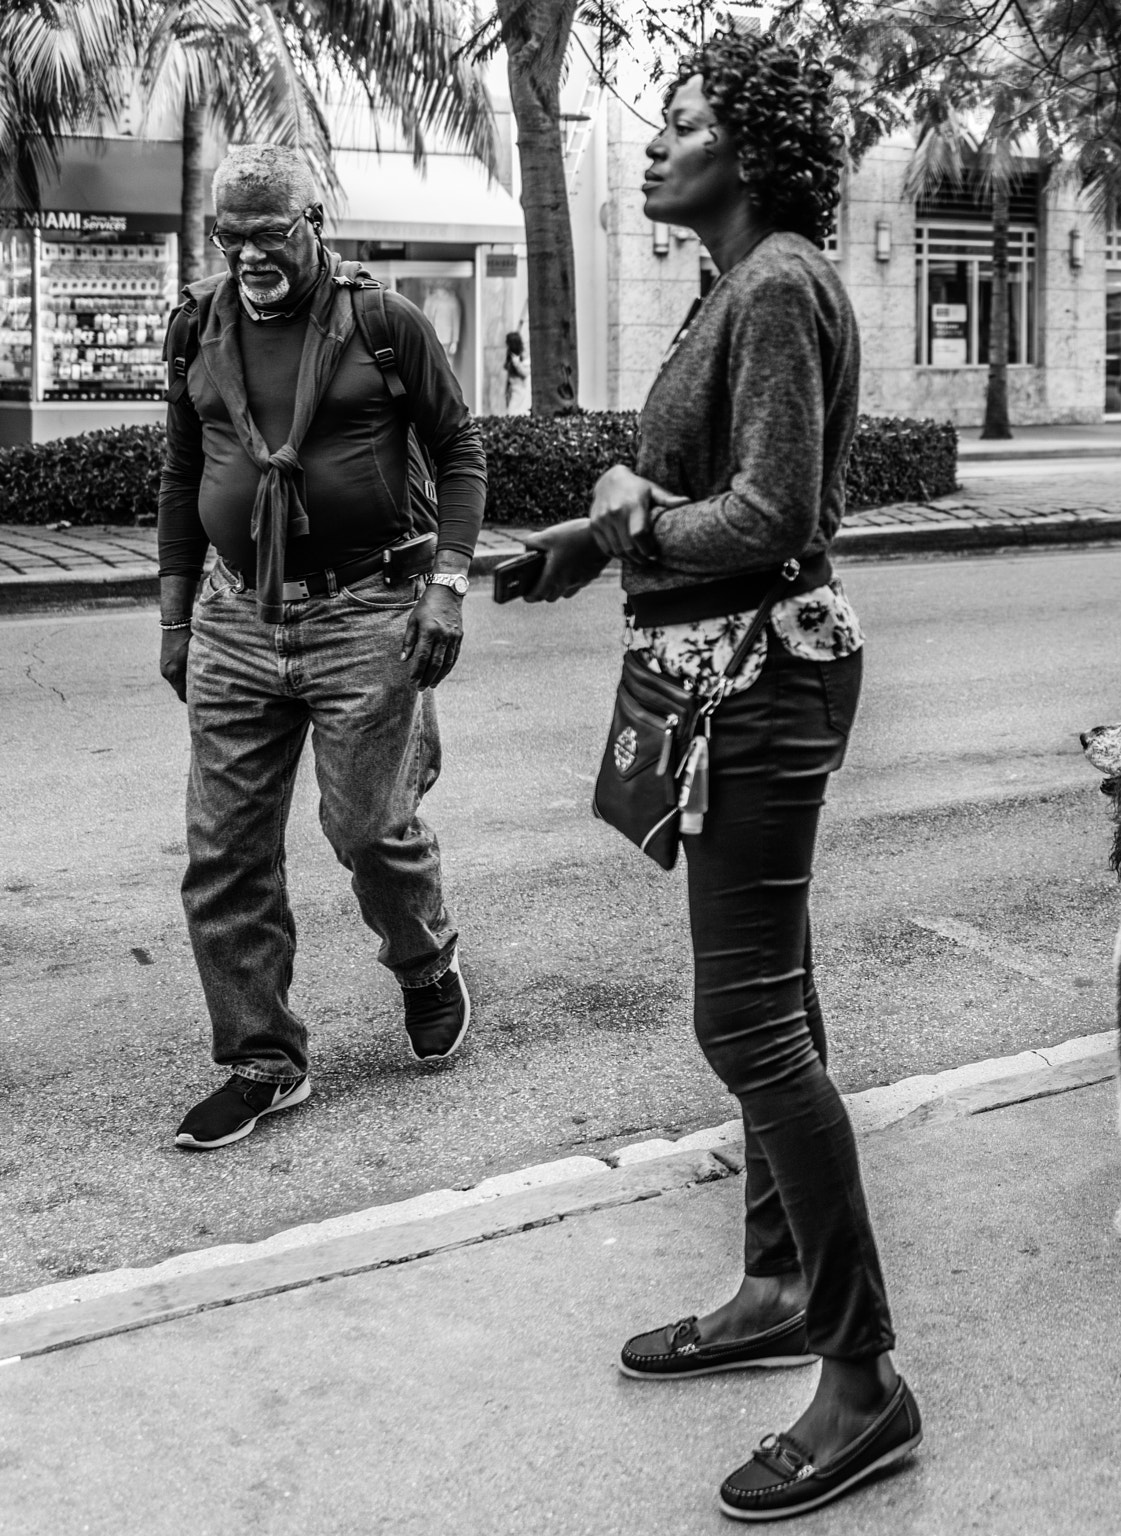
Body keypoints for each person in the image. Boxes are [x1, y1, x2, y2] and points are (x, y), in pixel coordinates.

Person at [519, 30, 917, 1521]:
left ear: (745, 148)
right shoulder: (741, 286)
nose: (653, 139)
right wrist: (591, 540)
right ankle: (771, 1285)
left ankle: (865, 1376)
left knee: (746, 1020)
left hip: (766, 676)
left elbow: (775, 514)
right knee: (780, 993)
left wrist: (626, 521)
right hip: (724, 675)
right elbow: (715, 501)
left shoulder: (777, 282)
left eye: (680, 120)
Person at [156, 145, 485, 1151]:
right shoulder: (195, 326)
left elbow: (461, 447)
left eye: (270, 231)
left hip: (366, 611)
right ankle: (263, 1059)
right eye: (230, 235)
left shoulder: (382, 324)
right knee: (223, 854)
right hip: (235, 619)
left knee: (368, 831)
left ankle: (425, 964)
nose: (249, 252)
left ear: (315, 224)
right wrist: (175, 616)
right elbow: (181, 474)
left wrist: (447, 586)